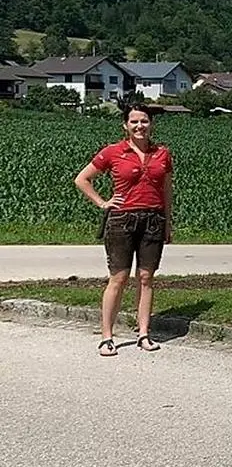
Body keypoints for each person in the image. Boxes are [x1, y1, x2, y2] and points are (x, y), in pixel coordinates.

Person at [74, 103, 173, 357]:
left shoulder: (162, 153)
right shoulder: (113, 151)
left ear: (151, 124)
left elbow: (166, 190)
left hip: (153, 220)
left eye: (144, 121)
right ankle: (107, 336)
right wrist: (102, 202)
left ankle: (144, 333)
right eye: (134, 122)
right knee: (118, 278)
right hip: (122, 220)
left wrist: (167, 222)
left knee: (146, 278)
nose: (140, 126)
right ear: (125, 126)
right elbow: (82, 179)